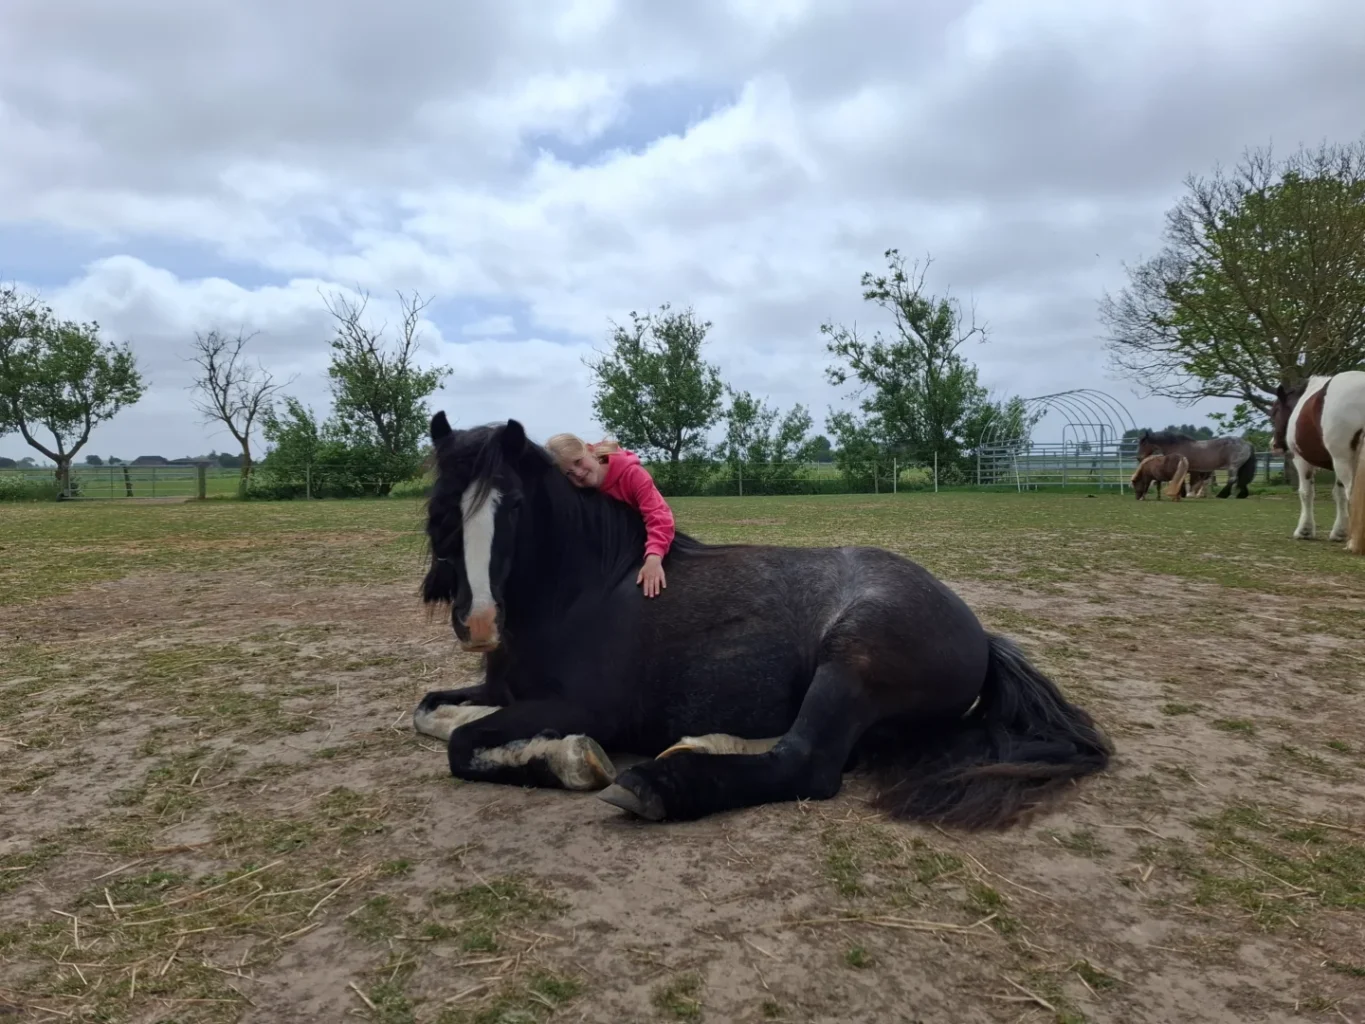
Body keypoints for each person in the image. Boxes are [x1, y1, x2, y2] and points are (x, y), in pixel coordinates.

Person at [545, 433, 675, 598]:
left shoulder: (632, 474)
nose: (578, 473)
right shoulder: (578, 490)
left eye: (578, 462)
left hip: (643, 543)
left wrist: (654, 558)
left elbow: (658, 515)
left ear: (590, 450)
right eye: (569, 473)